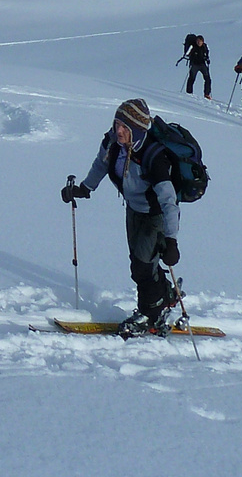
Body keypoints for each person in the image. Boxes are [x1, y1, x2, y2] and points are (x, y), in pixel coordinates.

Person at [62, 99, 183, 336]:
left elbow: (169, 201)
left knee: (142, 266)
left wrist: (171, 241)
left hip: (155, 214)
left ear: (137, 129)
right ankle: (166, 295)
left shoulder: (152, 155)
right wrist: (85, 189)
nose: (119, 130)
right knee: (139, 262)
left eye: (125, 127)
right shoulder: (113, 143)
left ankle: (149, 314)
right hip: (133, 209)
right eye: (117, 123)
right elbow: (101, 164)